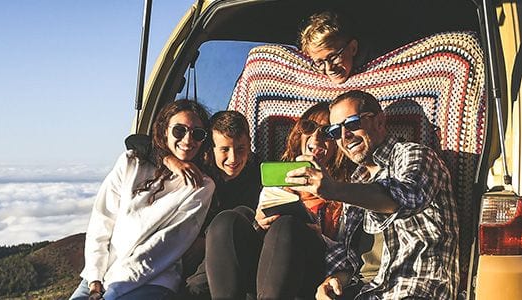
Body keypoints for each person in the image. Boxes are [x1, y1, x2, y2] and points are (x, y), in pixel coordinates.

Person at [287, 90, 459, 299]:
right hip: (364, 292)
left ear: (379, 121)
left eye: (352, 124)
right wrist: (333, 281)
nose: (344, 136)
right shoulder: (356, 181)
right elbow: (350, 260)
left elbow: (406, 197)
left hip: (412, 290)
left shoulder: (414, 155)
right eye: (334, 131)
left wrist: (334, 190)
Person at [203, 103, 353, 299]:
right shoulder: (276, 181)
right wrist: (259, 223)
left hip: (313, 269)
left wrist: (319, 236)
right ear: (299, 135)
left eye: (326, 131)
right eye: (308, 128)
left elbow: (353, 254)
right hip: (266, 269)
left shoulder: (349, 187)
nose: (316, 138)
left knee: (287, 225)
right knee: (228, 220)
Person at [72, 100, 216, 300]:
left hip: (152, 280)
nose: (188, 139)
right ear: (164, 130)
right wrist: (95, 280)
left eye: (197, 133)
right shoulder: (131, 163)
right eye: (179, 130)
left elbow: (165, 245)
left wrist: (112, 293)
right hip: (102, 275)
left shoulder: (201, 186)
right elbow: (102, 221)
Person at [179, 110, 263, 298]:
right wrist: (171, 161)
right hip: (196, 257)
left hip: (245, 252)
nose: (233, 159)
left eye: (241, 149)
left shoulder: (259, 174)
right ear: (210, 148)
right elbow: (139, 145)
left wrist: (206, 242)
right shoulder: (198, 169)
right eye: (225, 149)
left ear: (250, 145)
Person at [298, 11, 372, 84]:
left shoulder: (378, 72)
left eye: (333, 57)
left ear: (353, 48)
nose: (329, 69)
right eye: (320, 62)